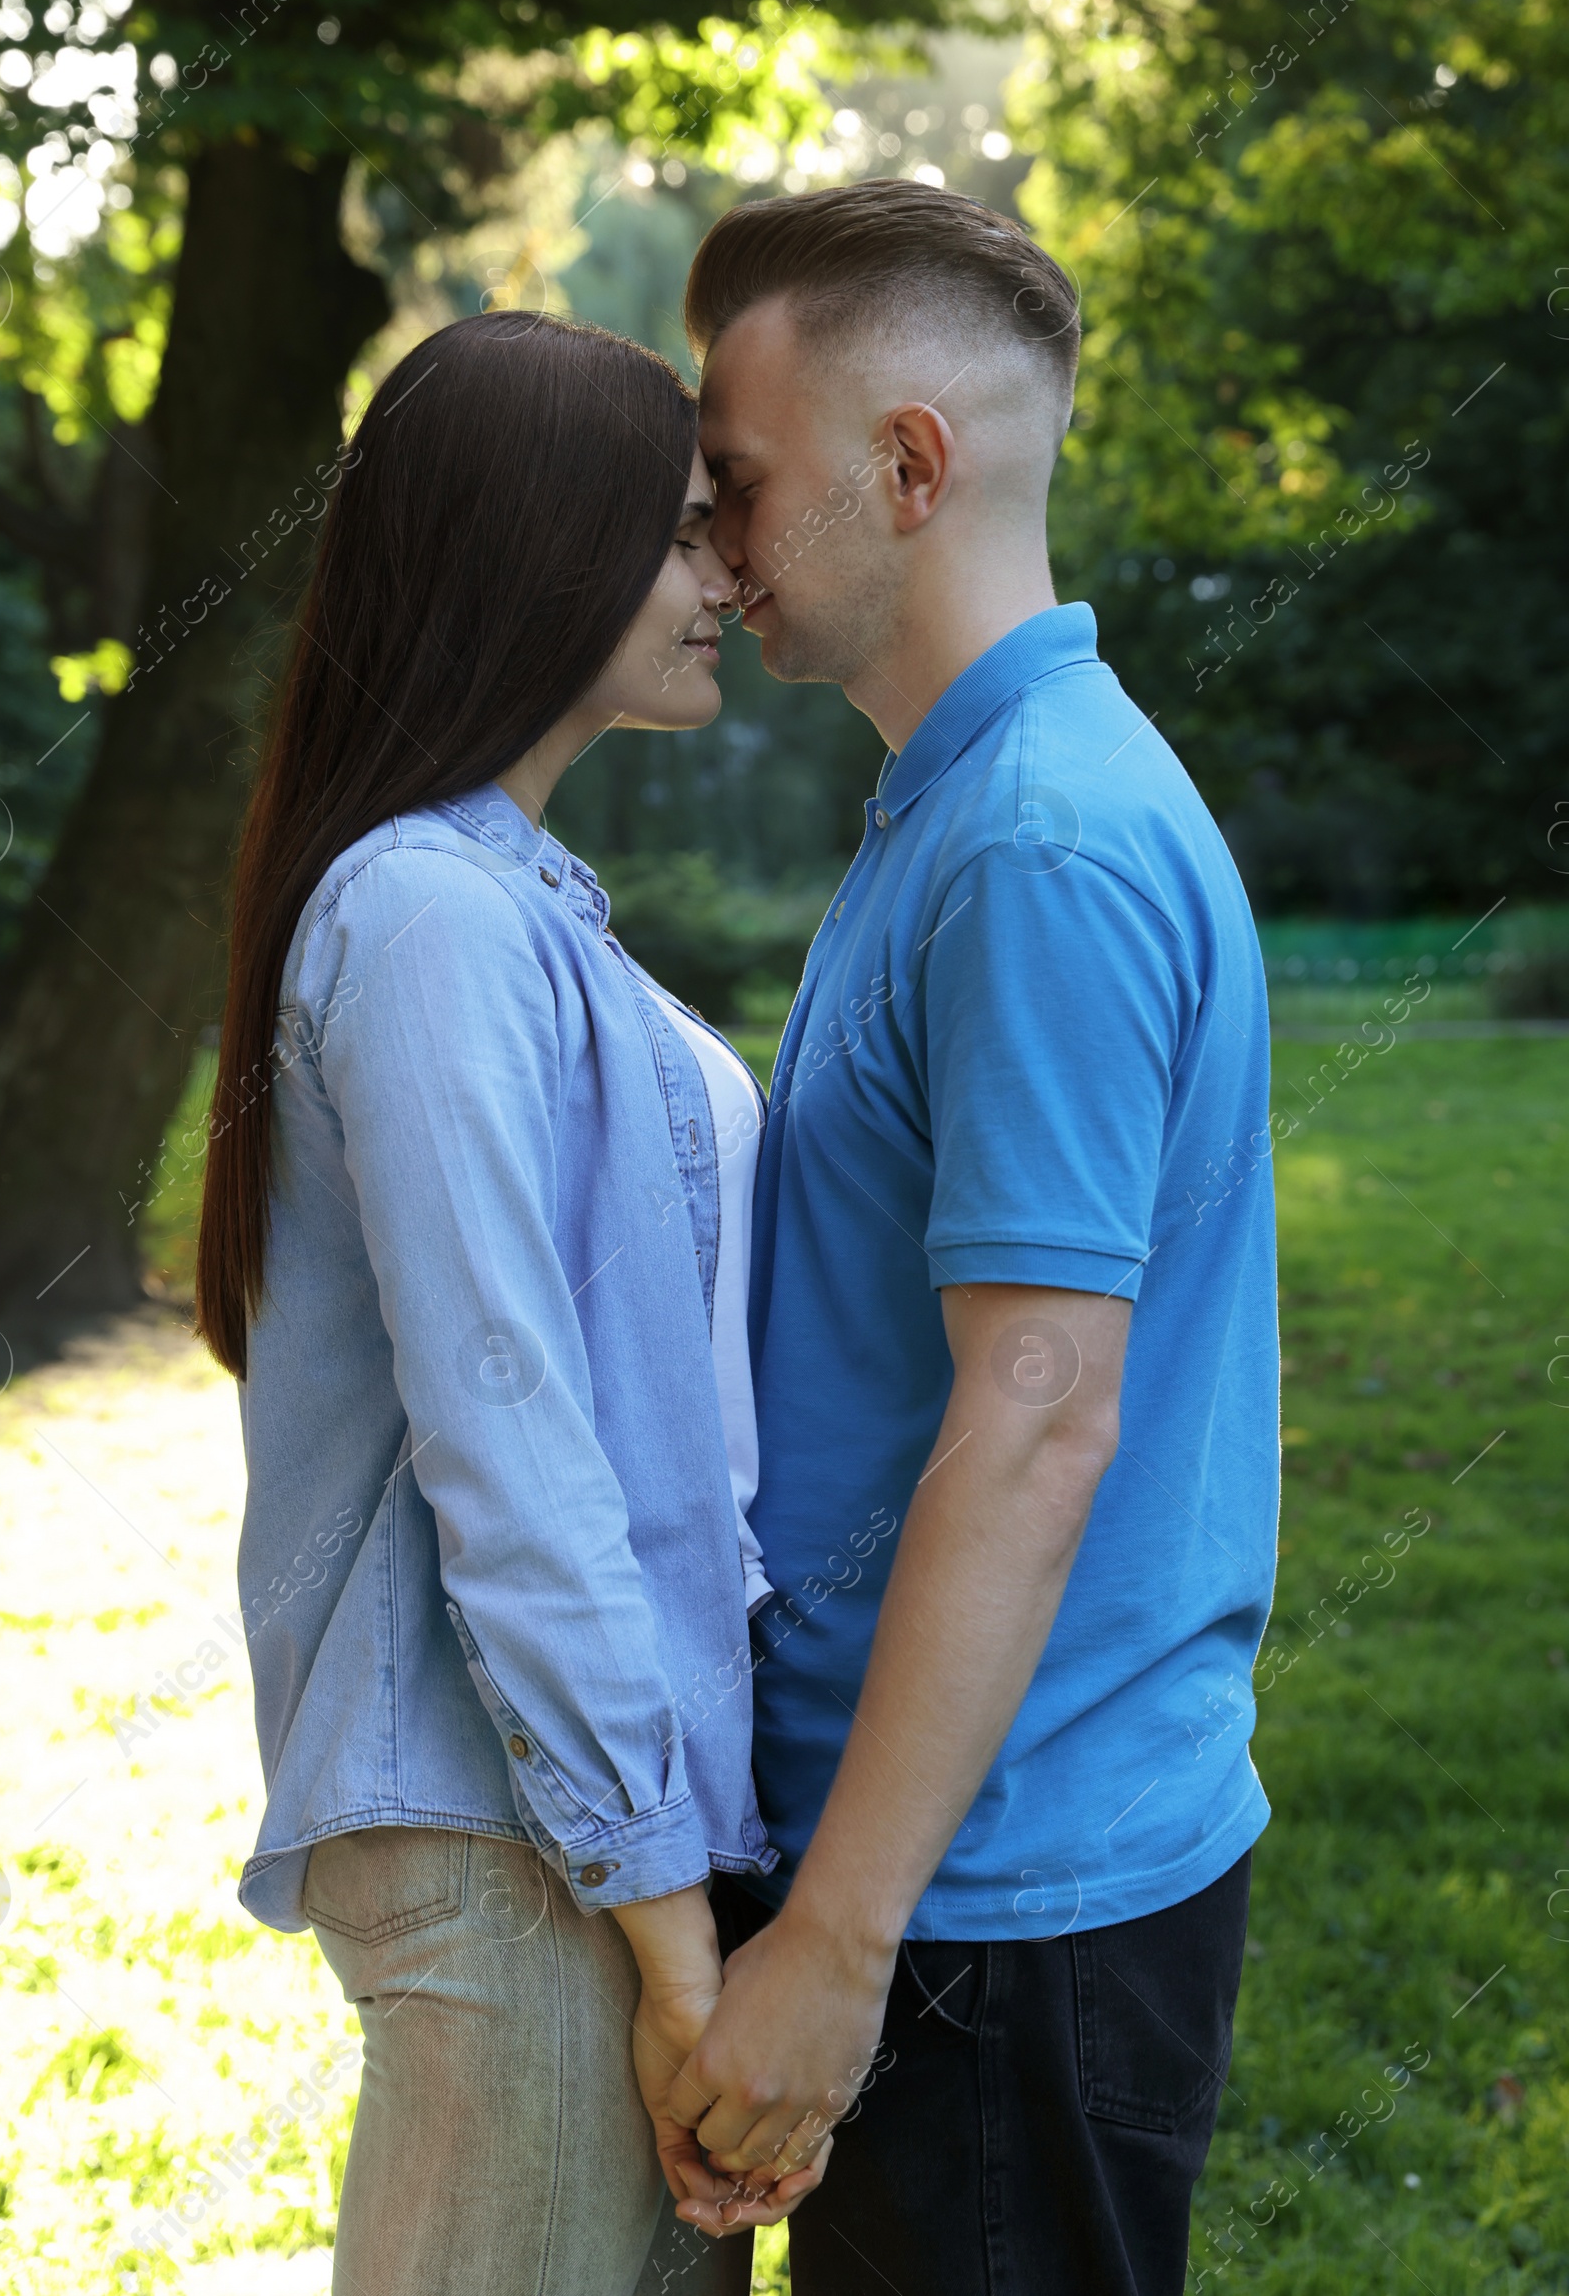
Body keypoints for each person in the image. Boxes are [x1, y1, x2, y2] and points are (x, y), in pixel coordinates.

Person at [665, 181, 1281, 2294]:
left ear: (907, 464)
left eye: (734, 482)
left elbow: (1036, 1421)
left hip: (988, 1912)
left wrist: (834, 1947)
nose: (708, 545)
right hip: (946, 1877)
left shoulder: (1031, 841)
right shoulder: (962, 801)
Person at [195, 311, 822, 2296]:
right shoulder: (424, 919)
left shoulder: (510, 906)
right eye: (670, 533)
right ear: (527, 550)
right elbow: (507, 1437)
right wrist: (663, 1935)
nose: (721, 573)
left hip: (595, 1840)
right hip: (524, 1853)